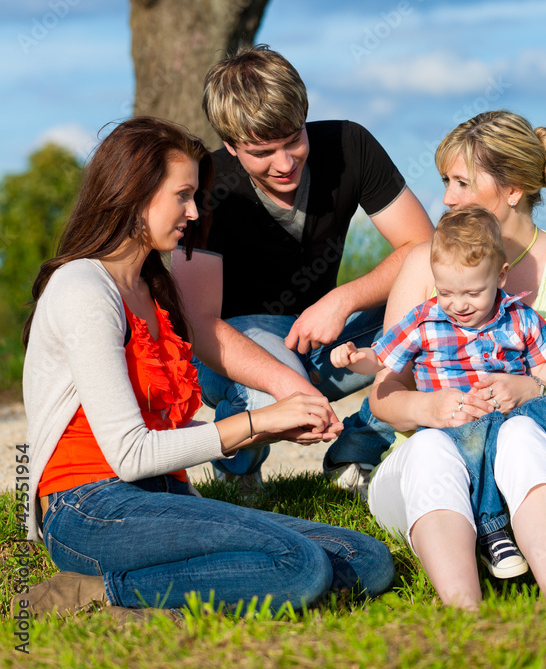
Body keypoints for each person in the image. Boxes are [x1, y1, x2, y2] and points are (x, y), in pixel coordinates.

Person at [17, 117, 394, 618]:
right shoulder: (85, 289)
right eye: (183, 196)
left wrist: (272, 428)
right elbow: (129, 455)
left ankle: (190, 591)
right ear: (134, 193)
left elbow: (162, 433)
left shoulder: (151, 289)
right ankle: (97, 593)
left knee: (364, 558)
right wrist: (260, 420)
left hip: (162, 496)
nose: (194, 212)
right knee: (300, 566)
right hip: (92, 507)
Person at [365, 110, 546, 609]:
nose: (447, 198)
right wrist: (428, 410)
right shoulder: (424, 262)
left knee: (522, 431)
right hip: (430, 470)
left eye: (461, 182)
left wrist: (535, 390)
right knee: (434, 449)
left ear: (514, 188)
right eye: (445, 182)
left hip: (523, 467)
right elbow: (383, 396)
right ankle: (466, 611)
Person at [172, 45, 434, 495]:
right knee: (271, 394)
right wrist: (287, 384)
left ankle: (358, 449)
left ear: (305, 116)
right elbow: (199, 325)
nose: (285, 162)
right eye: (262, 152)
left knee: (443, 303)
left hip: (325, 335)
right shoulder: (207, 183)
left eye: (293, 139)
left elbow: (426, 250)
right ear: (232, 146)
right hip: (230, 349)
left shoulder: (351, 145)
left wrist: (343, 299)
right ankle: (239, 470)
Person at [333, 205, 546, 579]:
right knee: (472, 451)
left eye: (471, 292)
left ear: (501, 277)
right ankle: (494, 536)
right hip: (460, 426)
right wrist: (356, 358)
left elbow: (542, 368)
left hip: (513, 423)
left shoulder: (519, 318)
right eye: (446, 292)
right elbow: (384, 358)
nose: (458, 304)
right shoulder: (426, 320)